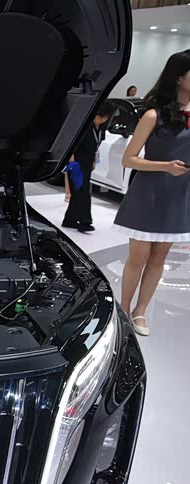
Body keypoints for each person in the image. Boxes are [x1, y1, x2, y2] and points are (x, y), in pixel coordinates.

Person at [113, 51, 190, 337]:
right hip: (149, 193)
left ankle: (140, 311)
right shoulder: (153, 115)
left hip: (178, 196)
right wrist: (165, 166)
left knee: (159, 259)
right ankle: (123, 307)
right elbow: (129, 159)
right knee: (139, 257)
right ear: (179, 77)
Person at [62, 101, 115, 232]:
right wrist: (71, 162)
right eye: (98, 116)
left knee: (78, 192)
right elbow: (70, 145)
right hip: (76, 162)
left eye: (102, 117)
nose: (98, 119)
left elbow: (96, 146)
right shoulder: (83, 126)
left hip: (88, 162)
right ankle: (85, 221)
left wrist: (94, 162)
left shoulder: (101, 129)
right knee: (83, 192)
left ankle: (69, 220)